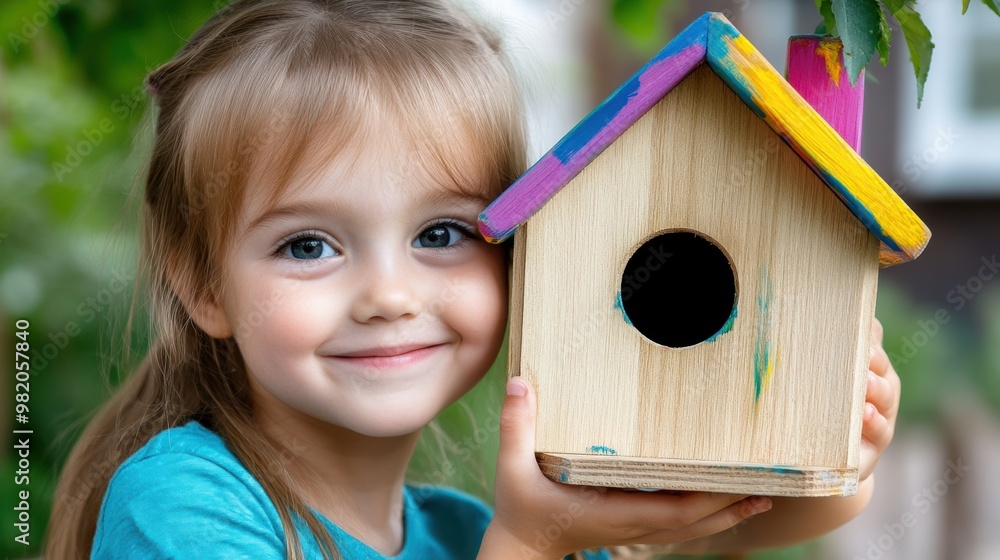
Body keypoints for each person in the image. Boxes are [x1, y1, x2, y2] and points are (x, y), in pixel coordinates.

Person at [43, 1, 901, 559]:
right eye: (308, 245)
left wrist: (834, 441)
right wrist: (530, 544)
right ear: (202, 287)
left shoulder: (459, 533)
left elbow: (726, 527)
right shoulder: (185, 508)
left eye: (442, 232)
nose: (388, 294)